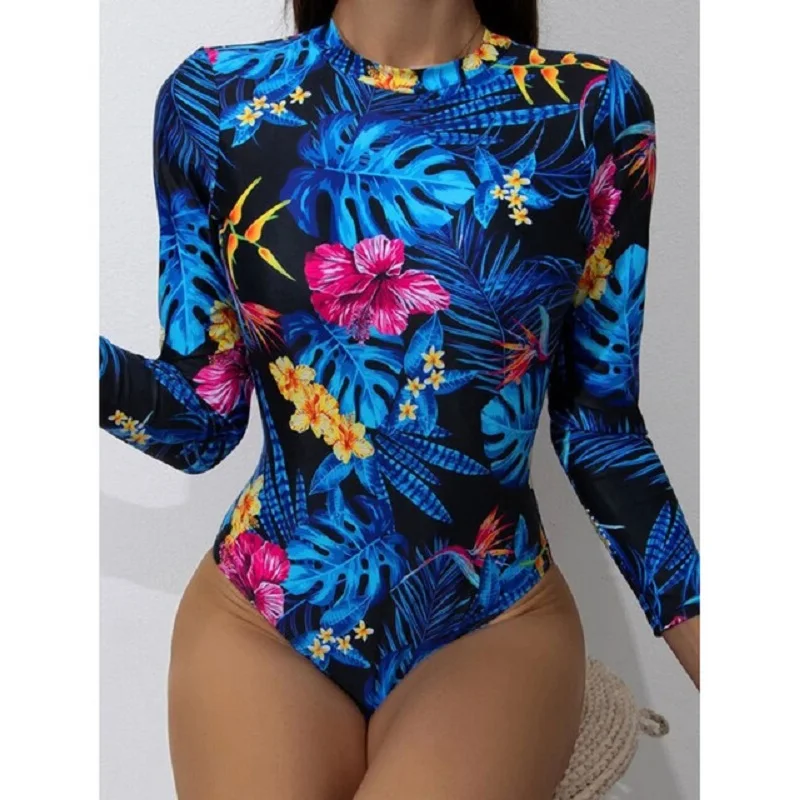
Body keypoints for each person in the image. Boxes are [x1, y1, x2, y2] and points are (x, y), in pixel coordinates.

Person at [99, 0, 700, 796]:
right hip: (261, 614)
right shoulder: (215, 101)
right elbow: (200, 419)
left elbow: (601, 431)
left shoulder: (591, 111)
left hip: (493, 621)